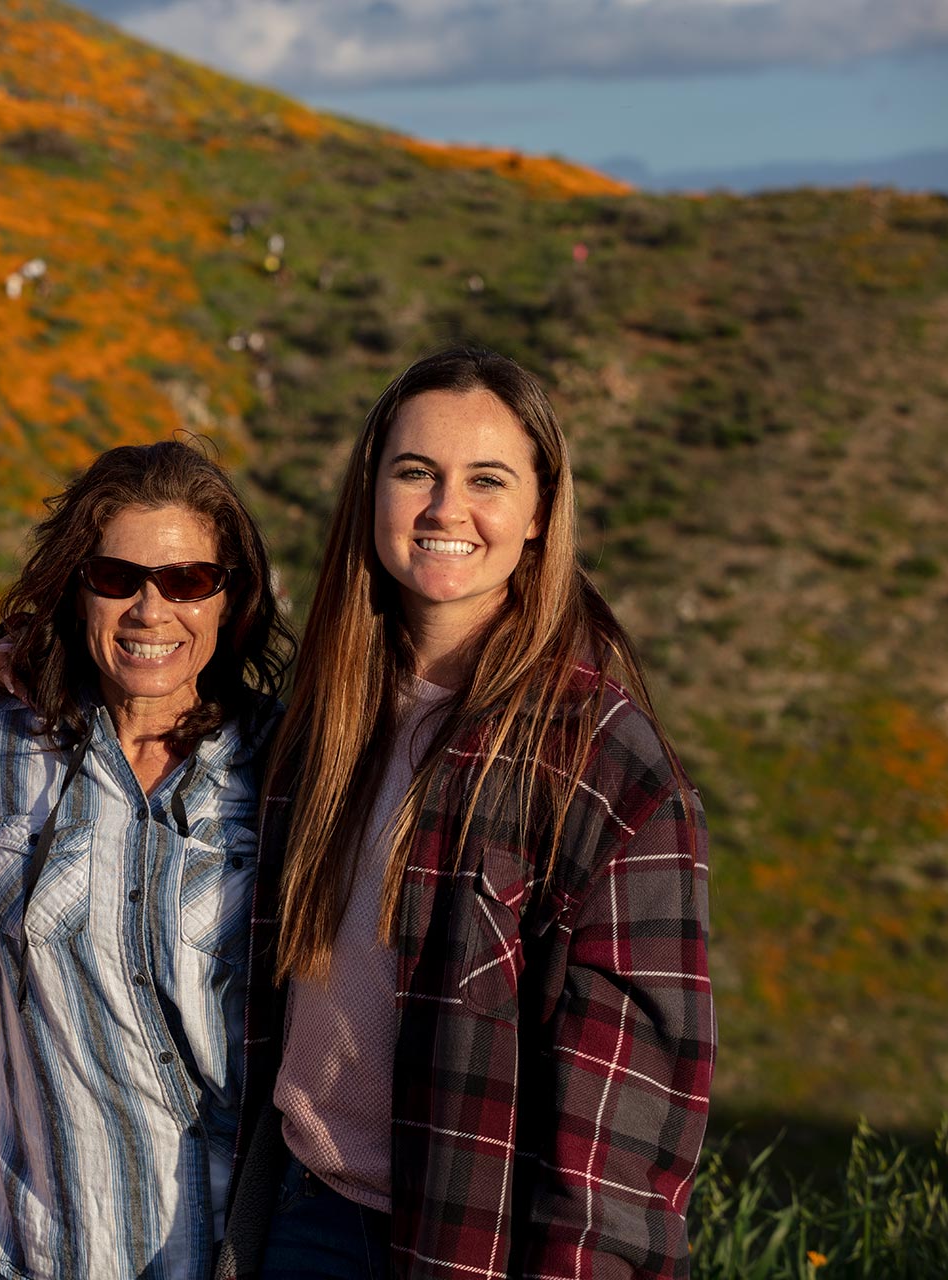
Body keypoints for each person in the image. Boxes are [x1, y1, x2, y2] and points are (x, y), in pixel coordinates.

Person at [219, 347, 714, 1280]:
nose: (447, 509)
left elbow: (628, 1126)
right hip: (297, 1215)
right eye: (416, 473)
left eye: (487, 480)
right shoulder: (319, 724)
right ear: (372, 497)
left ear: (538, 515)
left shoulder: (605, 766)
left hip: (467, 1245)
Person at [0, 440, 292, 1280]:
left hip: (230, 1252)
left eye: (187, 581)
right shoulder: (3, 747)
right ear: (80, 591)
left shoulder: (285, 768)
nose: (151, 609)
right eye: (117, 578)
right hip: (38, 1252)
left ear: (231, 601)